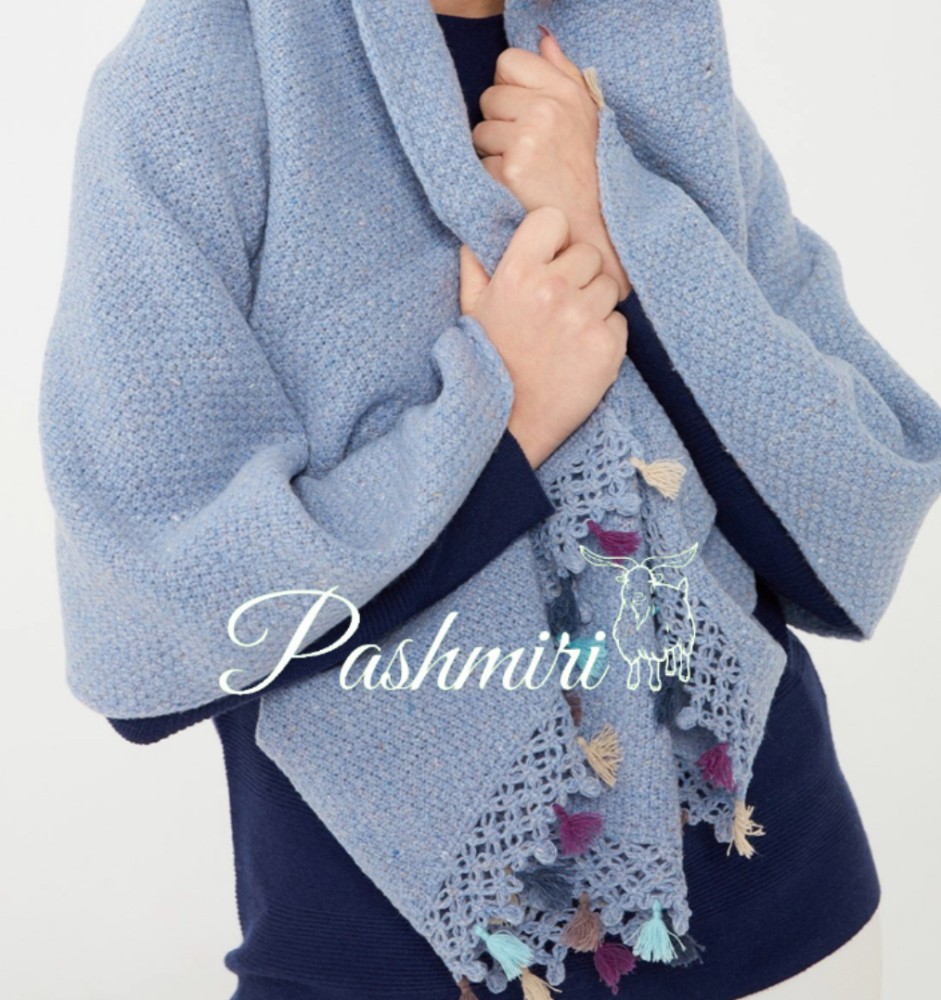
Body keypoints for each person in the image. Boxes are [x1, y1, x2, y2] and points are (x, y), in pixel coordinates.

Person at [41, 1, 941, 997]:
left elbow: (850, 515)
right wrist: (498, 415)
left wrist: (626, 228)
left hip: (784, 918)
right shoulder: (195, 83)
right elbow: (151, 607)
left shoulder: (636, 39)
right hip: (393, 960)